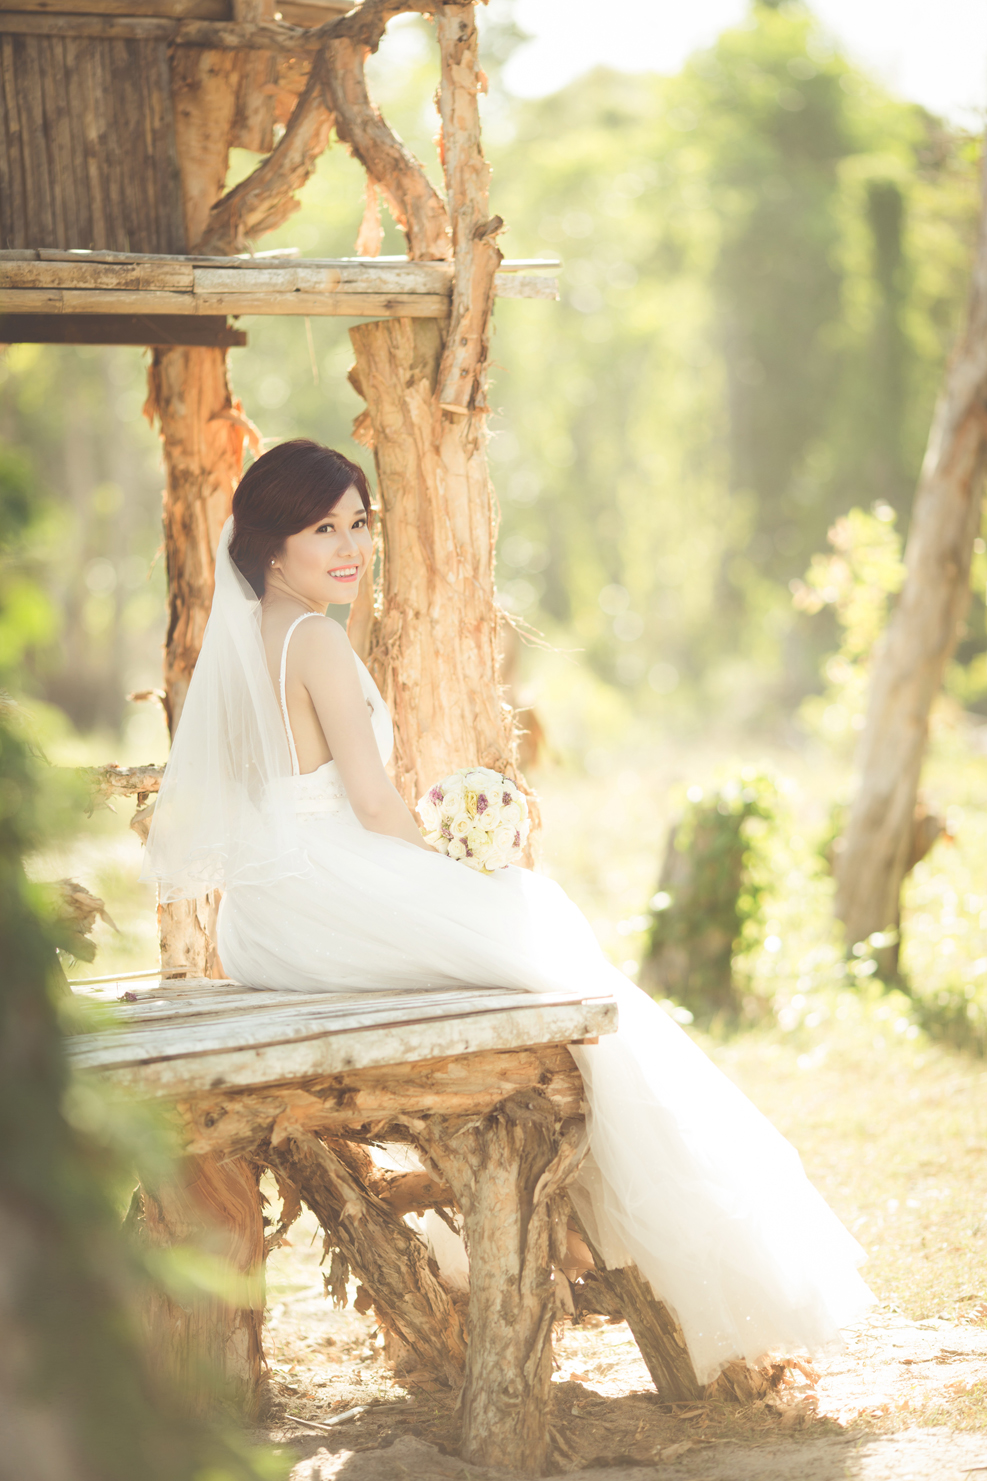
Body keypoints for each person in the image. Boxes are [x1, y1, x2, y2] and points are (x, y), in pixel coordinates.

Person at [143, 438, 873, 1384]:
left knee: (536, 939)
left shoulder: (252, 638)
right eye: (323, 528)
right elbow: (372, 806)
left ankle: (593, 1238)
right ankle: (671, 1254)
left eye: (359, 523)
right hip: (327, 887)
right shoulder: (313, 639)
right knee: (544, 928)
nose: (351, 546)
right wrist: (458, 867)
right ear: (271, 542)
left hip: (262, 922)